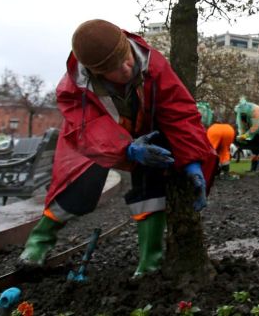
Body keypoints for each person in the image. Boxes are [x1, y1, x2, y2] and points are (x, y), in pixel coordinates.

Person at [17, 19, 217, 277]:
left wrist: (193, 161)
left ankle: (149, 263)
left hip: (145, 134)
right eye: (114, 68)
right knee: (76, 185)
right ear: (97, 73)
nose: (126, 68)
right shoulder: (74, 88)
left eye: (126, 58)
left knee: (152, 179)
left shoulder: (152, 63)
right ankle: (38, 244)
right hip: (89, 143)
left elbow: (179, 113)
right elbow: (89, 130)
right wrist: (127, 148)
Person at [199, 101, 238, 179]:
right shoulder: (216, 112)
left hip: (214, 129)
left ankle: (210, 171)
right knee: (225, 151)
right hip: (229, 129)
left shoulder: (205, 114)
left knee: (210, 151)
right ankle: (225, 173)